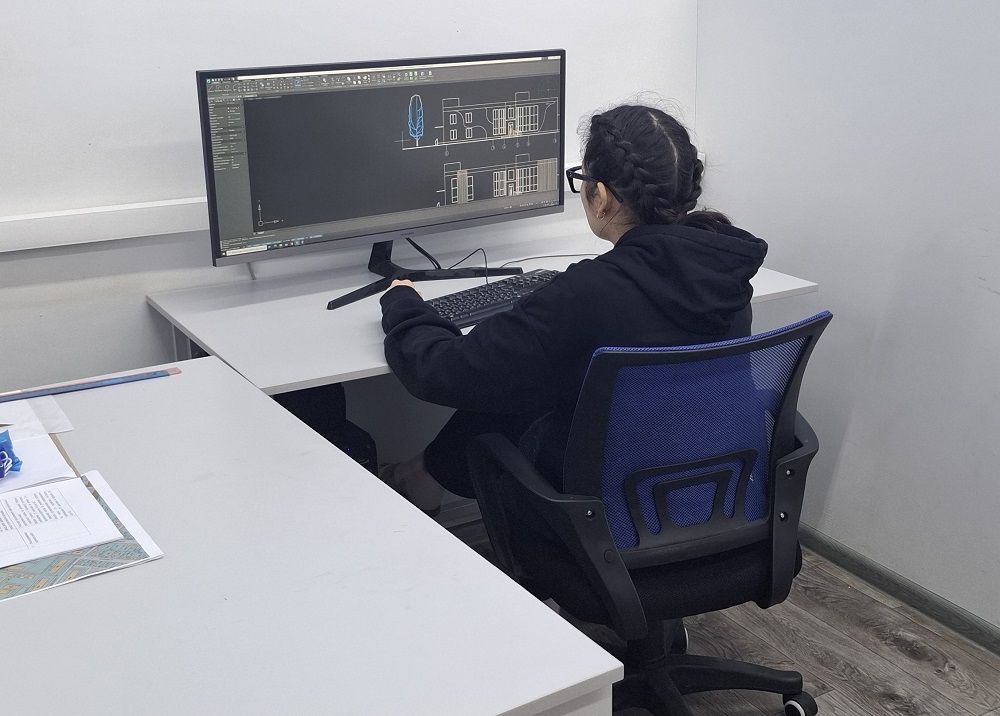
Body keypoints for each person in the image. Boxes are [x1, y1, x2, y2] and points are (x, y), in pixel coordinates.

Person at [378, 103, 768, 515]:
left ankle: (418, 479)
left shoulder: (588, 293)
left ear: (601, 198)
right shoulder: (725, 273)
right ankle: (420, 476)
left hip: (604, 514)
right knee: (540, 382)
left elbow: (443, 371)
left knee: (511, 393)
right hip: (715, 495)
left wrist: (403, 304)